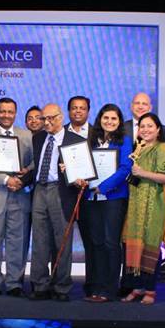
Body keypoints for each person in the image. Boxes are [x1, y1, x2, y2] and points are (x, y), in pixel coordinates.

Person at [23, 103, 86, 301]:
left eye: (51, 118)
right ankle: (40, 286)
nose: (46, 122)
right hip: (39, 190)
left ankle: (61, 287)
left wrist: (79, 177)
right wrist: (22, 178)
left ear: (60, 117)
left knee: (62, 241)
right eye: (44, 118)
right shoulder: (38, 138)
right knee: (39, 240)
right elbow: (35, 167)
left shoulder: (75, 141)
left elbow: (84, 172)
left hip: (61, 190)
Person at [121, 113, 165, 305]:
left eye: (150, 126)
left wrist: (143, 173)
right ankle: (137, 287)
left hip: (155, 204)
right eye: (142, 126)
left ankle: (151, 290)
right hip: (136, 205)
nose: (145, 130)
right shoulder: (139, 148)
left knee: (150, 245)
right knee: (134, 244)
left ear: (158, 130)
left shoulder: (163, 149)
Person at [0, 98, 34, 296]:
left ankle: (14, 283)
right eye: (2, 111)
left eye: (10, 112)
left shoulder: (26, 135)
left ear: (15, 113)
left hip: (20, 197)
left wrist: (23, 177)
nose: (6, 115)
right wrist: (5, 180)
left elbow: (36, 162)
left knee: (18, 243)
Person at [82, 104, 132, 302]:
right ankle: (96, 286)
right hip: (92, 198)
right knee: (96, 242)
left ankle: (109, 289)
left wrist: (103, 187)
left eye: (114, 118)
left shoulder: (124, 141)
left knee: (111, 242)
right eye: (106, 118)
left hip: (113, 197)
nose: (109, 122)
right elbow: (84, 165)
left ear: (119, 121)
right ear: (99, 119)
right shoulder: (91, 140)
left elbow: (125, 168)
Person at [67, 95, 95, 296]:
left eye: (82, 108)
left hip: (89, 197)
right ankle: (59, 283)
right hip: (65, 194)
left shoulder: (97, 134)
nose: (78, 111)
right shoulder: (60, 133)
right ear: (69, 111)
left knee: (91, 242)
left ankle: (92, 284)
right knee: (60, 241)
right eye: (74, 108)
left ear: (88, 111)